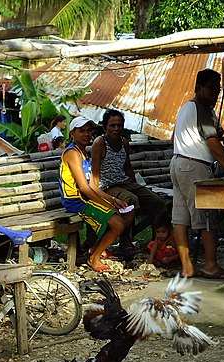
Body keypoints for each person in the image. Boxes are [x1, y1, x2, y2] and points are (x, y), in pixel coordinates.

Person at [171, 68, 224, 279]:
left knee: (181, 218)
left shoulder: (185, 108)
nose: (215, 94)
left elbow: (174, 138)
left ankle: (187, 266)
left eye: (218, 90)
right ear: (199, 88)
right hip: (196, 166)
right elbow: (213, 143)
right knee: (207, 217)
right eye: (211, 89)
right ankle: (211, 265)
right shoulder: (202, 109)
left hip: (178, 163)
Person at [58, 116, 132, 272]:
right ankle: (94, 258)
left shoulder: (85, 153)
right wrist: (107, 204)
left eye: (89, 130)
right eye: (81, 131)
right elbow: (84, 188)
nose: (86, 134)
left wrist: (113, 200)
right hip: (76, 201)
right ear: (72, 133)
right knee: (117, 223)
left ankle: (96, 249)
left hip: (85, 198)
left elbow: (93, 185)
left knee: (127, 213)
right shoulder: (72, 153)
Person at [91, 109, 166, 258]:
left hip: (124, 183)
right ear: (105, 128)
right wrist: (99, 197)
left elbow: (128, 168)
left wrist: (137, 186)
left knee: (157, 202)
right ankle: (125, 243)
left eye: (119, 125)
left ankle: (156, 242)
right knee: (131, 200)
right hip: (107, 187)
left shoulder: (124, 142)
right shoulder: (100, 143)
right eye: (112, 125)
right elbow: (95, 173)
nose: (116, 129)